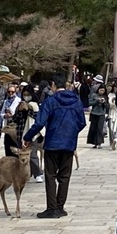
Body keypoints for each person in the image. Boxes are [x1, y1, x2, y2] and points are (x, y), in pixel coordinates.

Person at [22, 72, 86, 218]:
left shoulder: (50, 101)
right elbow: (82, 122)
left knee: (50, 175)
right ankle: (60, 207)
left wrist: (28, 137)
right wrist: (71, 132)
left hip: (52, 143)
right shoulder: (76, 101)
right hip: (69, 144)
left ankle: (51, 208)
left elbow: (39, 122)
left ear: (53, 85)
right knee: (65, 176)